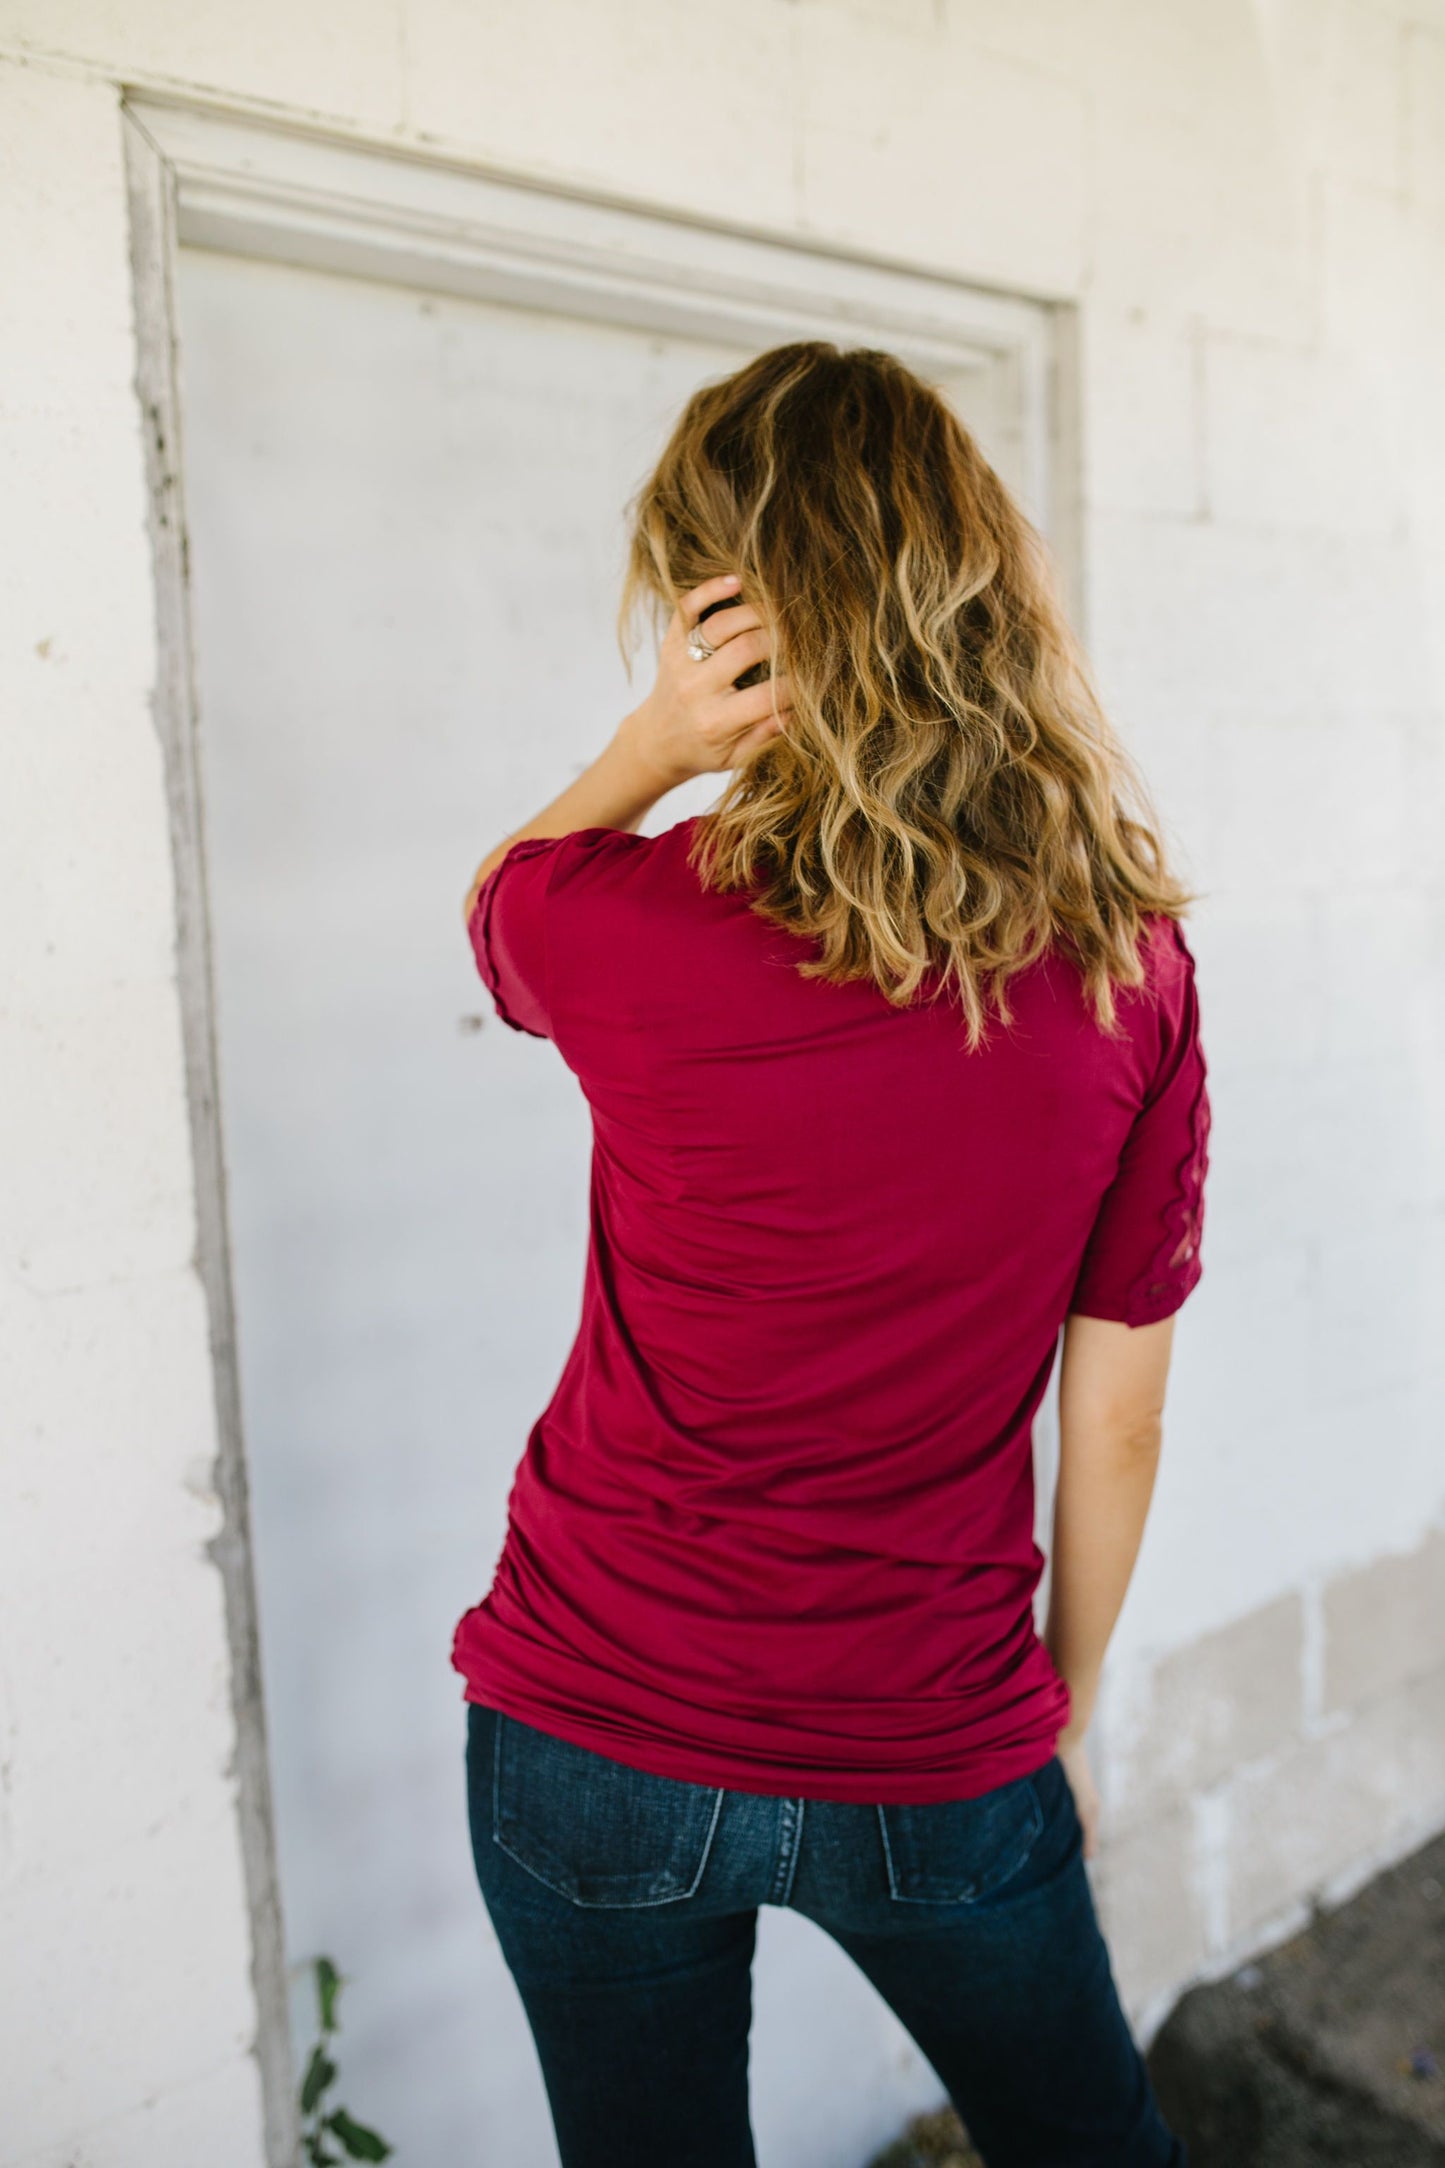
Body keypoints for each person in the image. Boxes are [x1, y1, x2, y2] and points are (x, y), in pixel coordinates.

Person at [454, 341, 1208, 2168]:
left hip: (587, 1726)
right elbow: (1111, 1424)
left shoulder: (614, 922)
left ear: (730, 619)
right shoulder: (1121, 970)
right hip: (938, 1742)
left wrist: (651, 748)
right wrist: (1063, 1703)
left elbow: (496, 910)